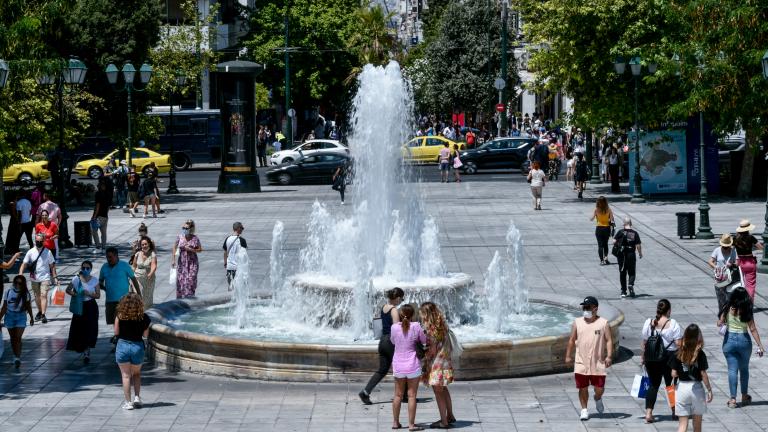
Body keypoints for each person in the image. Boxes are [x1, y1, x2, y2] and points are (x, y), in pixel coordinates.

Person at [565, 296, 613, 421]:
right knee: (582, 387)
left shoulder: (603, 323)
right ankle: (584, 409)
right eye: (584, 307)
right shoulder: (577, 322)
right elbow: (571, 340)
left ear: (595, 309)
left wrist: (609, 356)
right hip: (581, 361)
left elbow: (609, 340)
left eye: (587, 307)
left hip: (598, 362)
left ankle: (597, 398)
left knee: (599, 388)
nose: (585, 309)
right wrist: (568, 355)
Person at [717, 287, 765, 409]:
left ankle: (733, 399)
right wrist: (760, 345)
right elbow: (753, 329)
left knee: (732, 370)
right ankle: (744, 396)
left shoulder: (727, 308)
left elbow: (719, 323)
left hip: (729, 341)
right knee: (744, 369)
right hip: (744, 341)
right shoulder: (747, 310)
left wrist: (723, 322)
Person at [640, 299, 682, 423]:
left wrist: (643, 357)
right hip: (669, 358)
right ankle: (674, 411)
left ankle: (648, 413)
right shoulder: (673, 323)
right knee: (670, 385)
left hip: (651, 358)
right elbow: (678, 343)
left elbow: (644, 342)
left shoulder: (648, 322)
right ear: (669, 310)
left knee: (653, 385)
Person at [360, 287, 403, 405]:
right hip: (390, 341)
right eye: (401, 299)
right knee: (401, 368)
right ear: (398, 298)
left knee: (382, 370)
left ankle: (365, 392)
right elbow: (396, 329)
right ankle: (403, 395)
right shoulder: (394, 310)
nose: (401, 301)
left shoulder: (384, 307)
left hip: (382, 341)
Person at [669, 324, 712, 432]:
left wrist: (682, 370)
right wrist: (709, 390)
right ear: (698, 336)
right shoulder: (700, 354)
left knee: (683, 425)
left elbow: (673, 374)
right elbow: (703, 374)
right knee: (697, 424)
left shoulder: (679, 353)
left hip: (682, 389)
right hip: (696, 388)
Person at [390, 304, 426, 432]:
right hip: (413, 365)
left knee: (398, 395)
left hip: (398, 365)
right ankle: (411, 425)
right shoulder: (416, 326)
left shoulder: (394, 327)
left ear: (400, 314)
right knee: (412, 396)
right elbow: (424, 340)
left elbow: (393, 341)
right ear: (413, 315)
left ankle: (395, 422)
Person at [420, 301, 456, 429]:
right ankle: (450, 416)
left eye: (422, 314)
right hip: (445, 362)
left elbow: (433, 350)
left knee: (438, 391)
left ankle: (443, 422)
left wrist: (424, 354)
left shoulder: (431, 329)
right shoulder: (442, 325)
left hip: (437, 365)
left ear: (427, 314)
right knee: (444, 389)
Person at [114, 293, 151, 410]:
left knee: (125, 376)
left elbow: (116, 333)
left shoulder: (119, 315)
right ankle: (137, 398)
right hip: (137, 347)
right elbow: (145, 335)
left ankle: (128, 403)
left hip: (123, 346)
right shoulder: (144, 317)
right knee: (136, 374)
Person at [100, 247, 142, 346]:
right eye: (107, 257)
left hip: (123, 300)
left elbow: (133, 279)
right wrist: (102, 287)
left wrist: (138, 294)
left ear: (116, 256)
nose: (108, 259)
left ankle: (119, 339)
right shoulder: (104, 267)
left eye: (110, 257)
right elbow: (100, 280)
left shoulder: (124, 266)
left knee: (120, 320)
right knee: (113, 321)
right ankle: (119, 337)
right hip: (110, 299)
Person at [65, 260, 100, 364]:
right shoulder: (76, 279)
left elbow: (98, 295)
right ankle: (81, 347)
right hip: (80, 306)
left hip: (90, 306)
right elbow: (68, 290)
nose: (85, 270)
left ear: (91, 269)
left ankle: (87, 350)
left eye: (87, 268)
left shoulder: (94, 280)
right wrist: (76, 295)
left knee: (90, 328)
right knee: (79, 328)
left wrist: (89, 293)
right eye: (83, 268)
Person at [19, 233, 57, 323]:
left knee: (44, 295)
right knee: (37, 297)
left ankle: (43, 314)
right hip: (34, 278)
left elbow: (52, 266)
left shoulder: (48, 252)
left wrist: (55, 277)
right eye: (37, 241)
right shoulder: (31, 252)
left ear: (43, 241)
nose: (38, 243)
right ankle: (40, 311)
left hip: (45, 277)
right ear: (35, 241)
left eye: (40, 241)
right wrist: (20, 273)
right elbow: (24, 263)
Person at [0, 275, 34, 368]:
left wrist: (31, 317)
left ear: (23, 284)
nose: (18, 285)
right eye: (16, 283)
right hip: (9, 316)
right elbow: (4, 306)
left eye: (20, 283)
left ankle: (17, 358)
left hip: (21, 316)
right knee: (12, 338)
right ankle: (15, 355)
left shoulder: (26, 293)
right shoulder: (8, 292)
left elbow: (28, 306)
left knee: (18, 338)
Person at [733, 219, 763, 300]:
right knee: (750, 284)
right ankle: (749, 304)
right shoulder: (751, 237)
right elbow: (760, 247)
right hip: (750, 262)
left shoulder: (735, 238)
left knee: (739, 284)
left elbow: (731, 249)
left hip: (739, 262)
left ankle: (739, 303)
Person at [708, 233, 738, 314]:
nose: (725, 248)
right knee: (721, 298)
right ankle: (722, 315)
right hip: (720, 278)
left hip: (731, 278)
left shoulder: (733, 250)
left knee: (730, 297)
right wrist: (716, 267)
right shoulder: (717, 250)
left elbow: (738, 262)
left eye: (727, 246)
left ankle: (729, 315)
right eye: (724, 246)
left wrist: (732, 264)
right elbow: (710, 261)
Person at [172, 219, 202, 299]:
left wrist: (191, 249)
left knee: (191, 279)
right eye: (183, 228)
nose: (184, 230)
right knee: (181, 281)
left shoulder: (195, 238)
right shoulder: (180, 237)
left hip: (192, 262)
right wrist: (173, 259)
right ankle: (180, 299)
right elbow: (174, 247)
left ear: (191, 229)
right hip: (182, 262)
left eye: (186, 228)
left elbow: (200, 249)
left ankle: (190, 297)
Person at [613, 217, 642, 298]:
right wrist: (640, 253)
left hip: (622, 255)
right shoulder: (634, 233)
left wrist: (618, 245)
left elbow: (614, 241)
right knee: (632, 272)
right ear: (631, 223)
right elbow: (638, 245)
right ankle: (630, 284)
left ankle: (623, 291)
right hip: (631, 254)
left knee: (622, 272)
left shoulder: (620, 232)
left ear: (624, 223)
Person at [132, 236, 157, 308]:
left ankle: (145, 315)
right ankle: (137, 314)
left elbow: (154, 265)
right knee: (137, 296)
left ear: (149, 244)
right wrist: (130, 275)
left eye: (145, 244)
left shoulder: (152, 254)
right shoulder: (137, 254)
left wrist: (151, 273)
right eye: (142, 244)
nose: (144, 246)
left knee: (146, 299)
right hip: (137, 278)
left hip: (148, 280)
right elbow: (134, 266)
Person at [590, 196, 615, 265]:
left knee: (600, 245)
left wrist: (595, 216)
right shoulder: (608, 209)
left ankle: (601, 260)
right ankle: (606, 258)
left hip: (599, 228)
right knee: (605, 244)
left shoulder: (596, 210)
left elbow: (591, 219)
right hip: (607, 228)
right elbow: (612, 220)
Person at [223, 222, 247, 290]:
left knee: (231, 287)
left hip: (230, 267)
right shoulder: (242, 240)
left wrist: (225, 263)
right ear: (238, 228)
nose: (243, 229)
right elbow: (244, 255)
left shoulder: (227, 239)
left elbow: (225, 252)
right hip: (239, 267)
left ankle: (231, 299)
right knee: (241, 287)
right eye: (242, 228)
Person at [91, 180, 110, 253]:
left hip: (98, 216)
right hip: (105, 216)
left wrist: (94, 216)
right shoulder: (108, 194)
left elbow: (98, 205)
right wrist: (106, 214)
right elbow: (108, 206)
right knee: (103, 232)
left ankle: (98, 246)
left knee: (94, 231)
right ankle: (104, 247)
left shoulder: (98, 194)